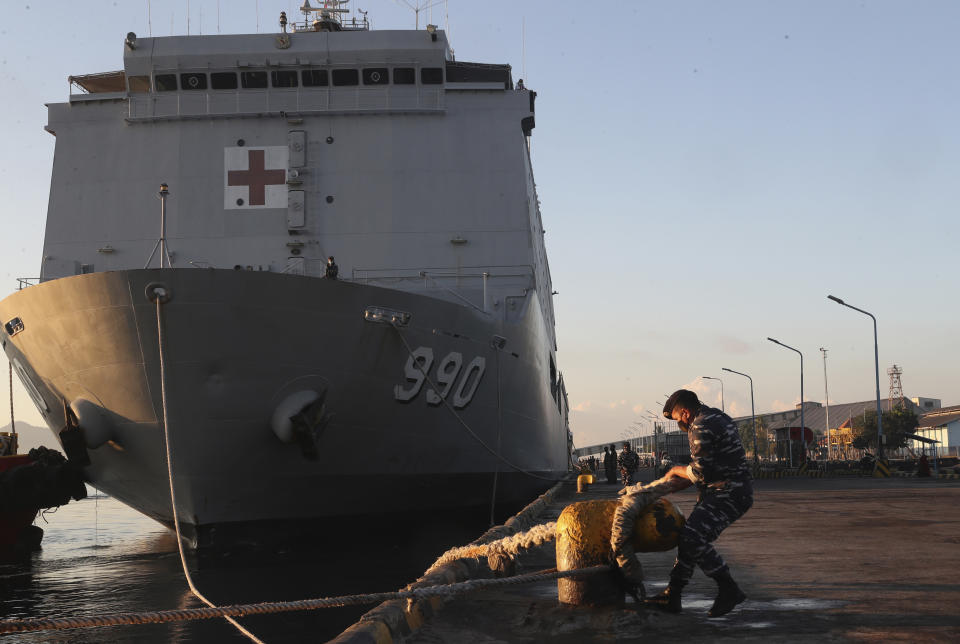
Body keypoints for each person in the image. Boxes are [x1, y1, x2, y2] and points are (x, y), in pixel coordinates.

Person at [646, 389, 753, 618]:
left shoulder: (700, 424)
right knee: (688, 539)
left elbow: (700, 472)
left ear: (685, 413)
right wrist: (673, 485)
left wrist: (674, 471)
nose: (679, 425)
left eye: (677, 420)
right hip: (725, 490)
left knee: (692, 538)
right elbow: (709, 468)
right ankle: (672, 595)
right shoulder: (717, 416)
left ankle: (728, 588)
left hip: (728, 493)